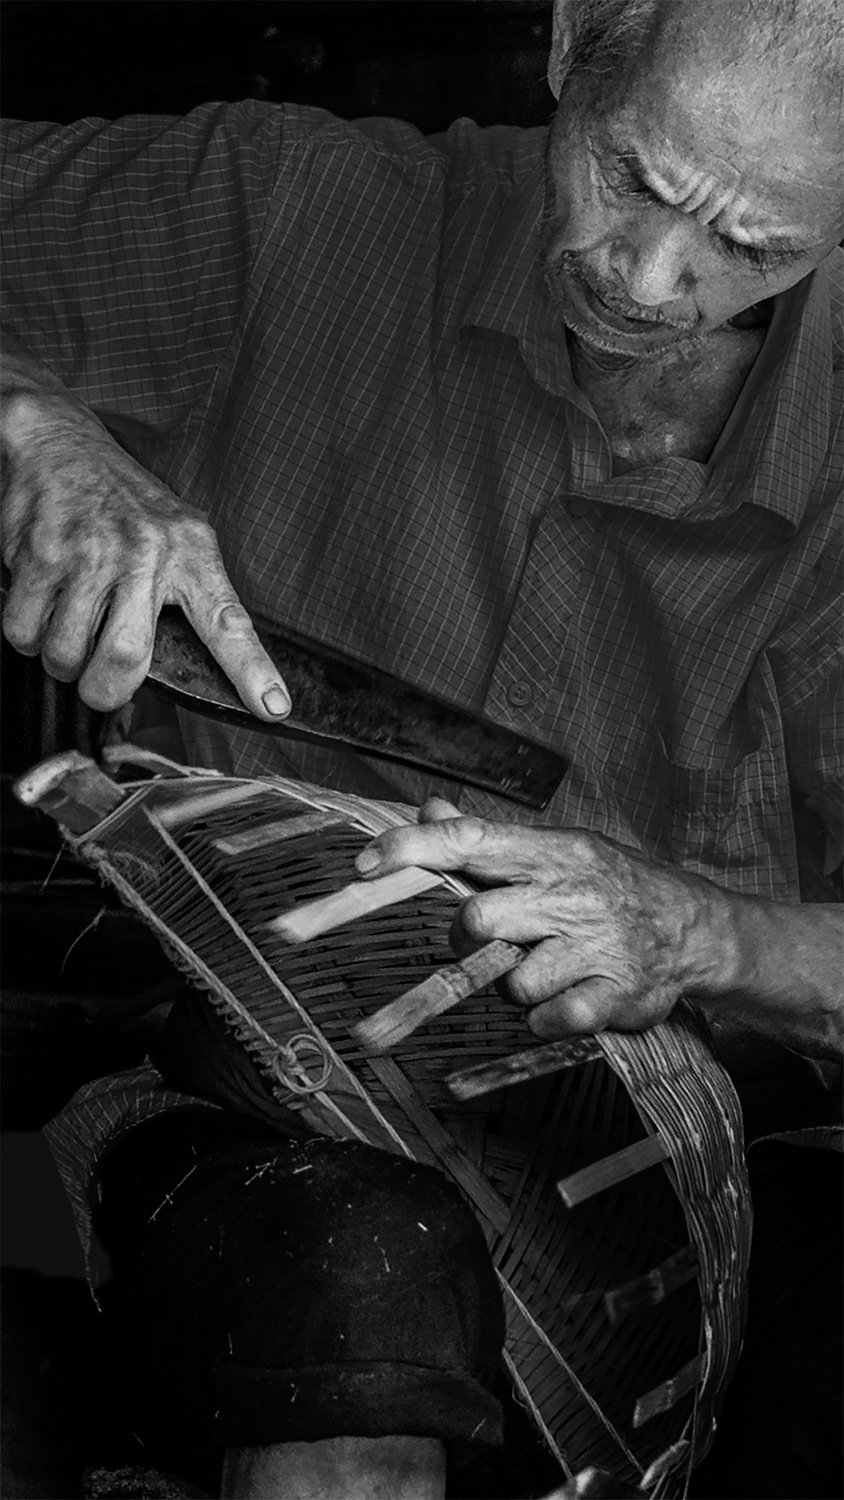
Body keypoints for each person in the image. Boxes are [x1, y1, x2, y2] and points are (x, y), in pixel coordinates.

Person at [1, 0, 841, 1495]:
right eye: (632, 178)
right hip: (247, 1085)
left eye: (752, 246)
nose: (650, 278)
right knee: (357, 1295)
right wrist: (29, 427)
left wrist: (705, 931)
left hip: (722, 1155)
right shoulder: (293, 212)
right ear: (571, 44)